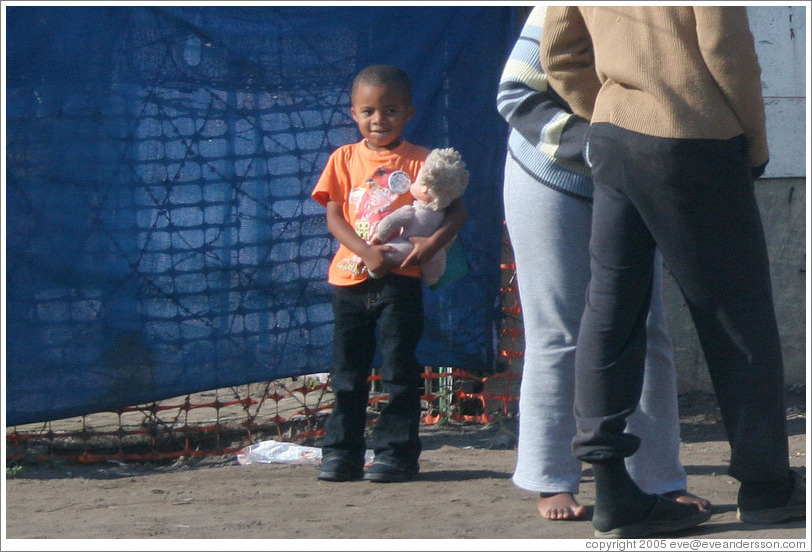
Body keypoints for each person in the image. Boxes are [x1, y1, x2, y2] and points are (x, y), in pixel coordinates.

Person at [540, 6, 805, 537]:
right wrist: (753, 141)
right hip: (697, 137)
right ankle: (766, 487)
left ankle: (613, 489)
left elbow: (558, 53)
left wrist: (609, 108)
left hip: (614, 139)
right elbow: (726, 51)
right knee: (736, 317)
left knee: (610, 308)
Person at [497, 6, 710, 522]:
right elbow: (515, 94)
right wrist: (600, 146)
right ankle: (551, 478)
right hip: (549, 172)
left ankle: (658, 479)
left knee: (648, 327)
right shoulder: (557, 7)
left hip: (632, 174)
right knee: (560, 330)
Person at [311, 64, 467, 483]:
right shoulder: (342, 159)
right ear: (353, 114)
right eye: (368, 111)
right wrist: (366, 251)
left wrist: (428, 247)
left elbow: (456, 212)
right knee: (348, 373)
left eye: (390, 110)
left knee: (400, 371)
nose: (379, 119)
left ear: (409, 112)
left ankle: (395, 455)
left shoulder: (424, 162)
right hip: (349, 279)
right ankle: (341, 454)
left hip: (401, 283)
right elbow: (334, 216)